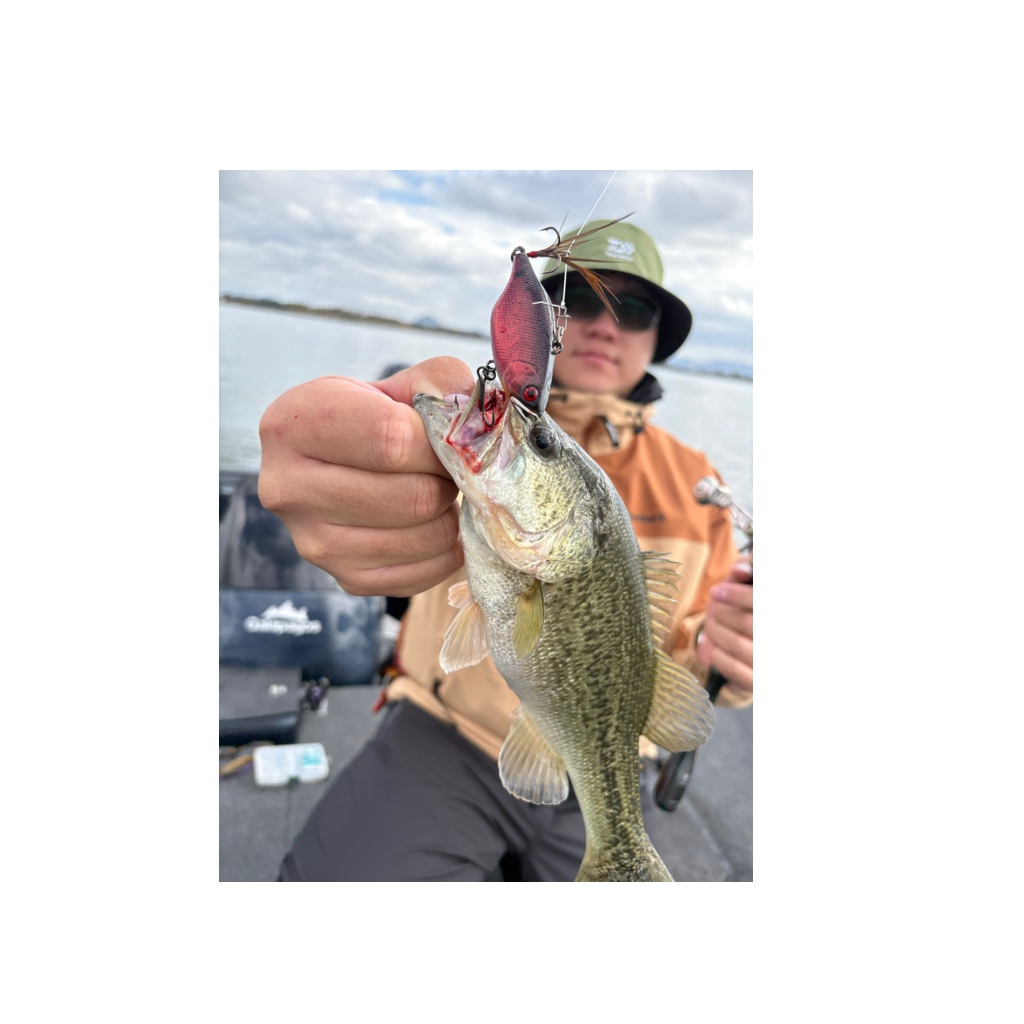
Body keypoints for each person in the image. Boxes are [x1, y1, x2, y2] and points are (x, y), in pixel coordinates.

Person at [258, 220, 754, 881]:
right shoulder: (475, 429)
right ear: (544, 320)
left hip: (602, 766)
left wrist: (734, 659)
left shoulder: (700, 482)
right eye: (582, 299)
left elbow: (692, 655)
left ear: (656, 337)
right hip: (443, 732)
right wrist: (345, 465)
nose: (606, 326)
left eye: (633, 310)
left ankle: (615, 848)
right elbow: (379, 448)